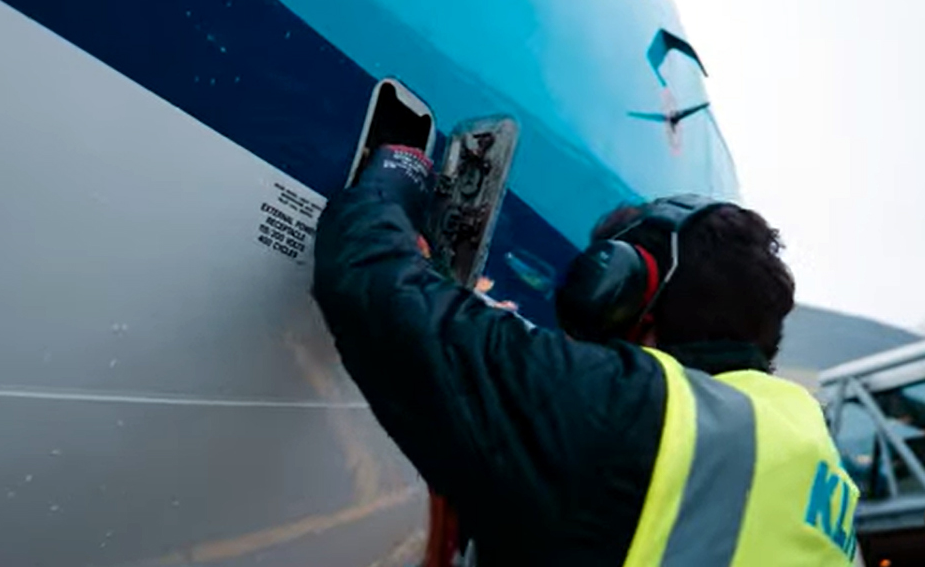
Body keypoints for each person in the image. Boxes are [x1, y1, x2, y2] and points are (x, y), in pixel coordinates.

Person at [311, 145, 860, 566]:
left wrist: (391, 183)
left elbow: (371, 286)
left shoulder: (635, 412)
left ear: (622, 292)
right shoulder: (814, 457)